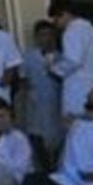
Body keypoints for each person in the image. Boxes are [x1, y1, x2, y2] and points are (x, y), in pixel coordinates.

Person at [47, 0, 93, 125]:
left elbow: (73, 61)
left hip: (80, 89)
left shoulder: (72, 31)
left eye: (56, 18)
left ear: (65, 14)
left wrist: (53, 68)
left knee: (77, 129)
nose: (55, 23)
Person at [17, 20, 65, 171]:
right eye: (42, 35)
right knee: (36, 136)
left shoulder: (63, 57)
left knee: (59, 138)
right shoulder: (28, 57)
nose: (47, 38)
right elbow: (22, 79)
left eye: (50, 34)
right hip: (35, 103)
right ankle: (45, 170)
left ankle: (57, 169)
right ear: (36, 37)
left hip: (57, 103)